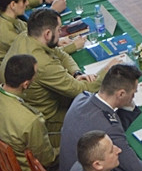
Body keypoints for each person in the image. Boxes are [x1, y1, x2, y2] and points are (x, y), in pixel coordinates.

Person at [58, 63, 142, 171]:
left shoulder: (81, 98)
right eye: (133, 93)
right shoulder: (109, 128)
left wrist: (126, 105)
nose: (133, 97)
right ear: (121, 94)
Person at [0, 9, 106, 142]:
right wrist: (108, 72)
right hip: (50, 120)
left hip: (28, 106)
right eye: (59, 29)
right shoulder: (43, 64)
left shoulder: (25, 36)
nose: (60, 33)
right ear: (48, 34)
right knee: (99, 118)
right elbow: (81, 91)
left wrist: (76, 73)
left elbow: (60, 54)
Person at [0, 54, 56, 171]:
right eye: (35, 75)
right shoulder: (31, 121)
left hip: (9, 166)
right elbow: (47, 160)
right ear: (25, 84)